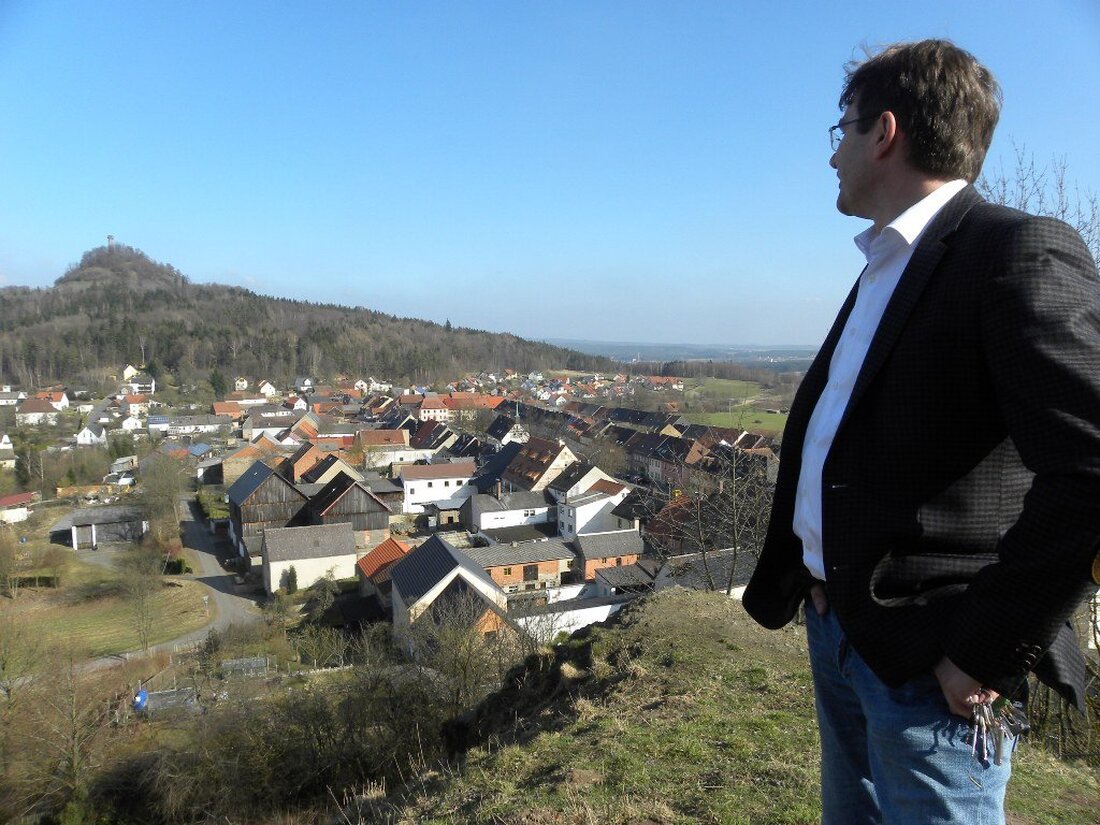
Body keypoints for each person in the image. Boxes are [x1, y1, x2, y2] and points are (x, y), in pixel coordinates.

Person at [742, 39, 1100, 824]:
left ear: (885, 132)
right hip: (842, 630)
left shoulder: (1014, 251)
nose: (833, 153)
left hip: (932, 660)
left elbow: (1092, 466)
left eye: (842, 128)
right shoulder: (887, 261)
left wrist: (983, 651)